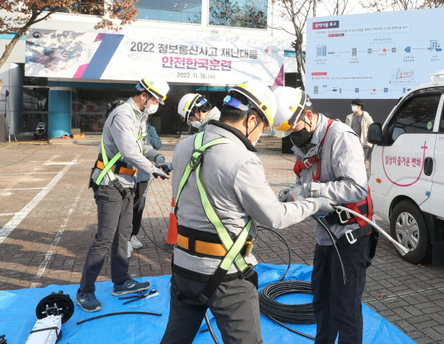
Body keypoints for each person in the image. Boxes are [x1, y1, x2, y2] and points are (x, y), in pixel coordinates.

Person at [160, 80, 332, 344]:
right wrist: (316, 204)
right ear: (251, 120)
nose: (259, 135)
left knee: (175, 339)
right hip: (227, 277)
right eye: (262, 127)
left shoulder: (185, 146)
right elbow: (275, 217)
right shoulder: (242, 158)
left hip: (183, 267)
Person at [274, 87, 377, 344]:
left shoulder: (340, 137)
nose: (292, 138)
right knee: (321, 301)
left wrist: (309, 190)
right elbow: (306, 177)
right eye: (287, 133)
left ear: (308, 115)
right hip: (326, 234)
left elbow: (356, 187)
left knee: (345, 307)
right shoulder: (304, 140)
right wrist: (296, 194)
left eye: (294, 129)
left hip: (351, 234)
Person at [76, 75, 172, 312]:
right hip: (109, 183)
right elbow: (129, 151)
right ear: (144, 95)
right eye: (156, 99)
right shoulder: (123, 115)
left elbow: (143, 145)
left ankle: (121, 282)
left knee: (124, 234)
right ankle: (84, 291)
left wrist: (158, 158)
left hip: (126, 184)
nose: (156, 104)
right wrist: (153, 170)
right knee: (105, 237)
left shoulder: (141, 117)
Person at [128, 114, 162, 258]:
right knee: (126, 207)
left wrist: (147, 132)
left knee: (138, 206)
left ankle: (133, 235)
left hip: (142, 174)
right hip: (127, 175)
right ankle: (124, 239)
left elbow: (157, 145)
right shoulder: (128, 127)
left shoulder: (150, 129)